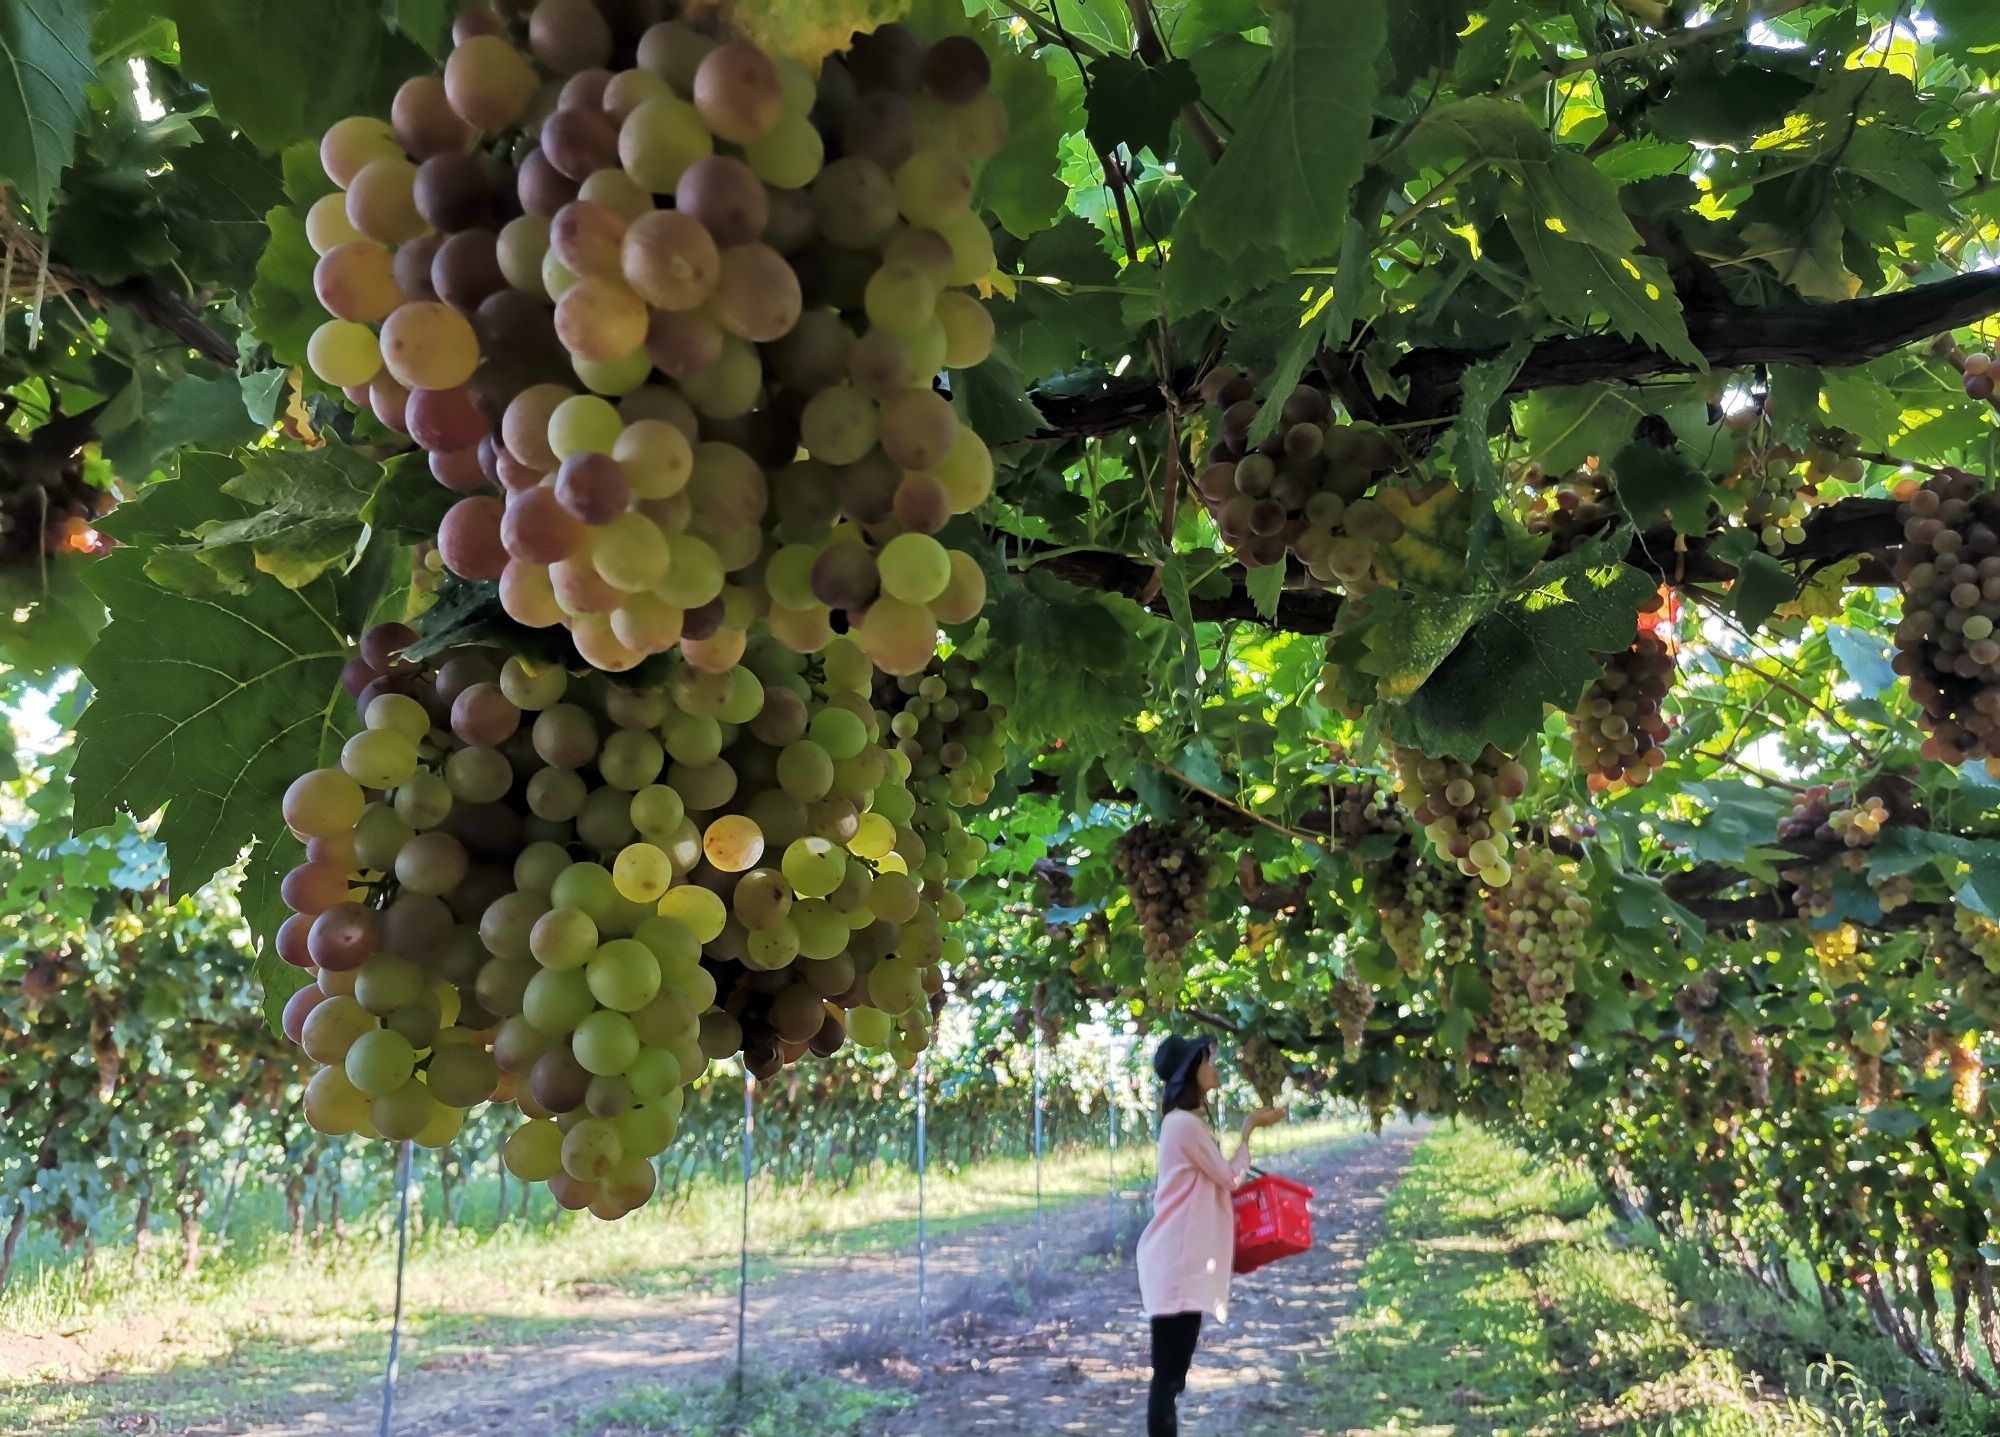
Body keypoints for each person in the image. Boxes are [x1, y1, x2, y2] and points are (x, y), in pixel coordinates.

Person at [1134, 1034, 1286, 1437]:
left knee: (1170, 1377)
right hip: (1175, 1264)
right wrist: (1249, 1128)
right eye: (1207, 1061)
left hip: (1176, 1262)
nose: (1214, 1067)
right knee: (1167, 1380)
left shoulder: (1184, 1123)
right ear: (1192, 1073)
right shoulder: (1184, 1125)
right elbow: (1229, 1177)